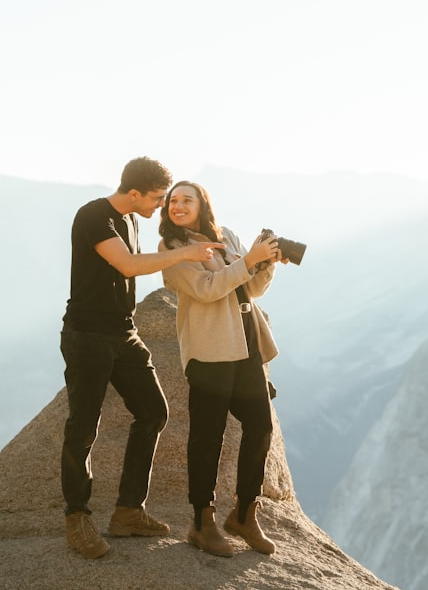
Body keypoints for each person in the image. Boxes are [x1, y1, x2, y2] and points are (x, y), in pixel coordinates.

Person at [60, 157, 225, 559]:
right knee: (83, 426)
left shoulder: (131, 220)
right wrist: (185, 255)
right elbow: (128, 265)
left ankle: (128, 511)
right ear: (134, 193)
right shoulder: (94, 216)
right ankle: (77, 517)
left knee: (153, 412)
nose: (160, 205)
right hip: (88, 335)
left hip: (123, 333)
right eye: (155, 198)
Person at [158, 181, 283, 557]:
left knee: (260, 426)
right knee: (207, 437)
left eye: (187, 199)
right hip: (210, 350)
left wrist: (265, 263)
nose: (178, 205)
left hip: (246, 345)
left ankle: (244, 514)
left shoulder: (225, 235)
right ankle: (202, 521)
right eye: (173, 201)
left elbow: (251, 289)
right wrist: (248, 261)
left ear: (202, 205)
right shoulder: (172, 249)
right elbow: (208, 288)